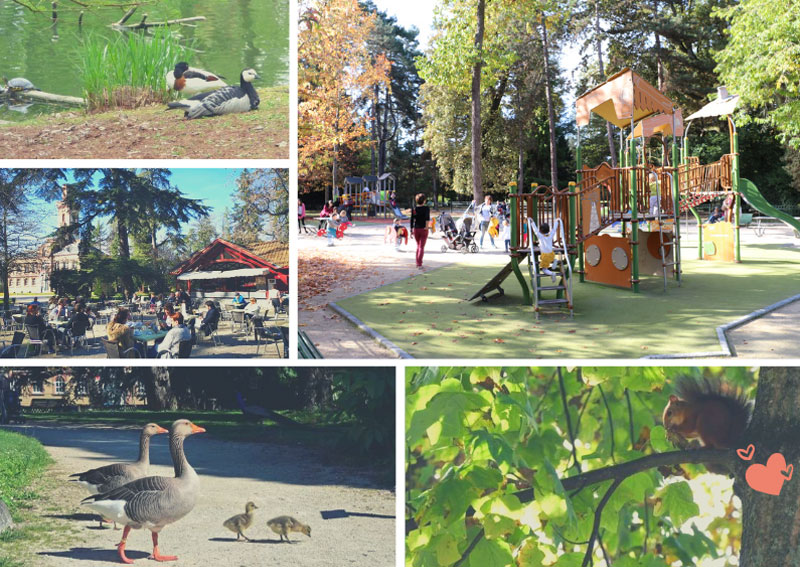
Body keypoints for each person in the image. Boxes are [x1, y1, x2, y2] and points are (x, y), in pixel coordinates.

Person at [410, 193, 430, 269]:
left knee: (418, 246)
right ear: (424, 201)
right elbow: (427, 219)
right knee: (421, 247)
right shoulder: (426, 208)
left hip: (416, 229)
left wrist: (411, 229)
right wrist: (427, 227)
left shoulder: (414, 209)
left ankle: (417, 262)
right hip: (423, 229)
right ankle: (419, 264)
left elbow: (412, 220)